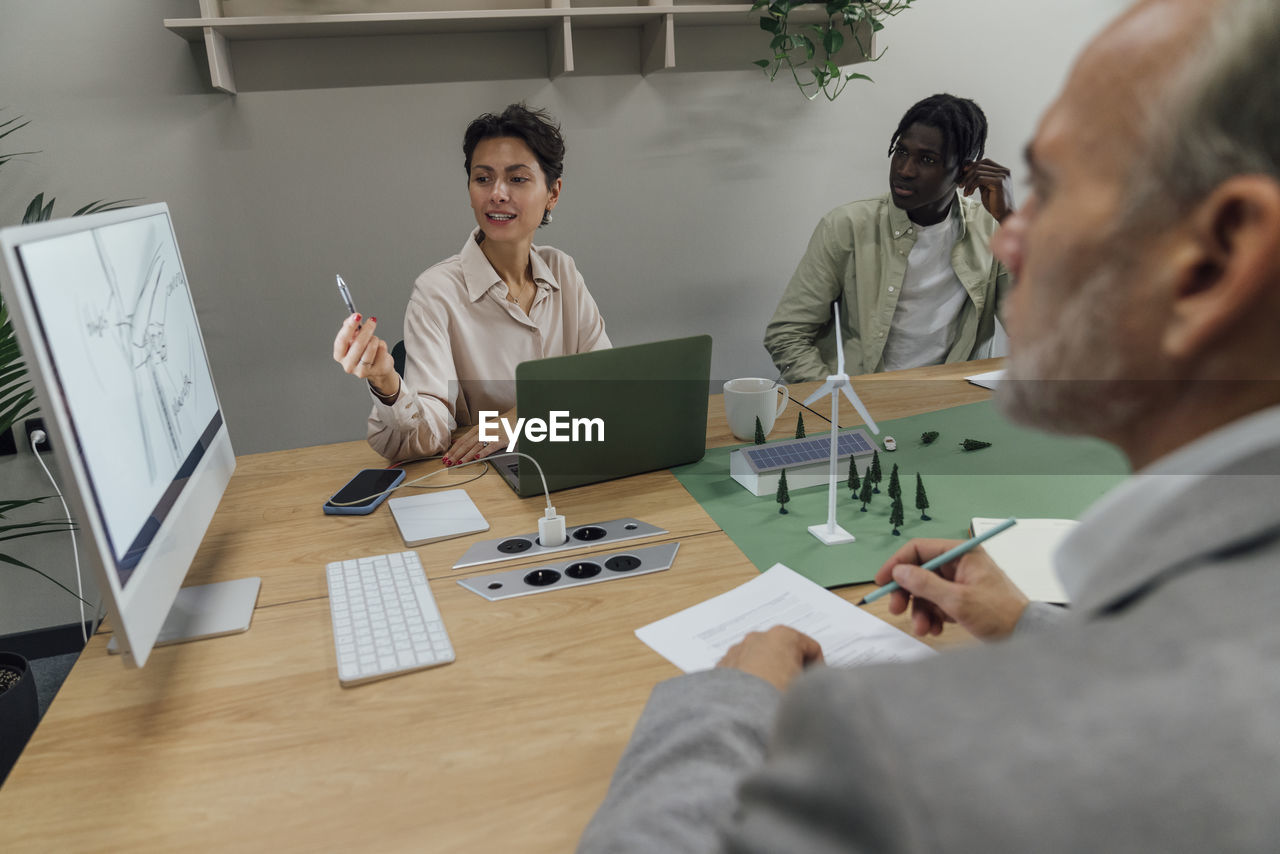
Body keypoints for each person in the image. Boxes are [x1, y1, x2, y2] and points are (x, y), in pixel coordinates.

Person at [579, 0, 1280, 850]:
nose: (1016, 237)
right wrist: (1032, 623)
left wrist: (733, 695)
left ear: (1218, 258)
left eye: (1050, 191)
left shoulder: (898, 752)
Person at [332, 103, 610, 465]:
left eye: (517, 178)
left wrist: (522, 418)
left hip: (577, 465)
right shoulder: (436, 292)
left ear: (553, 193)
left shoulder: (563, 271)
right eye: (483, 178)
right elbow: (426, 435)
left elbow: (606, 388)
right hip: (488, 482)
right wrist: (387, 385)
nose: (497, 193)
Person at [763, 94, 1014, 381]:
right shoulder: (846, 227)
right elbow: (787, 334)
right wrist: (836, 403)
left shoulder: (992, 231)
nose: (904, 170)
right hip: (863, 405)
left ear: (963, 172)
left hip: (953, 404)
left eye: (927, 159)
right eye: (902, 152)